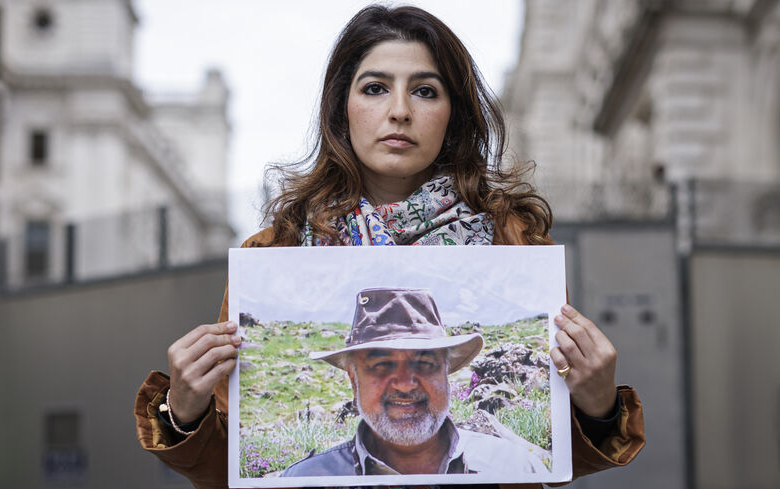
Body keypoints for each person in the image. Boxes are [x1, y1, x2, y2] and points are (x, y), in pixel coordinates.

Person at [134, 5, 645, 489]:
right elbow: (230, 472)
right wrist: (184, 411)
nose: (399, 111)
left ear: (453, 113)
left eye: (425, 91)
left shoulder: (514, 242)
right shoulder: (273, 253)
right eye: (376, 88)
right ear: (342, 108)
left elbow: (548, 468)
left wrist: (597, 407)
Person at [281, 287, 548, 476]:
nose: (406, 384)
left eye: (424, 363)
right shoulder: (308, 479)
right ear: (354, 381)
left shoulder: (515, 468)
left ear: (446, 372)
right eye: (382, 365)